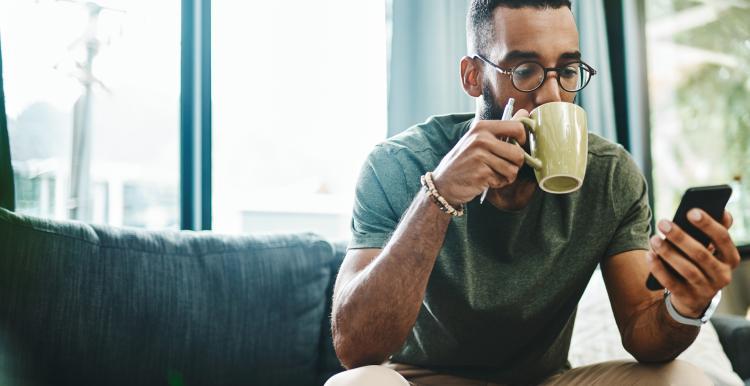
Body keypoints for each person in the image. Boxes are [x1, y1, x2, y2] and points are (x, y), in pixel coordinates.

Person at [326, 1, 742, 385]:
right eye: (525, 71)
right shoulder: (398, 164)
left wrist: (686, 305)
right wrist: (439, 194)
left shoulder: (609, 174)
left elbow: (642, 331)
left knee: (681, 379)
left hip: (545, 382)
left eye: (567, 70)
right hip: (423, 377)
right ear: (474, 76)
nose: (552, 96)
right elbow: (356, 348)